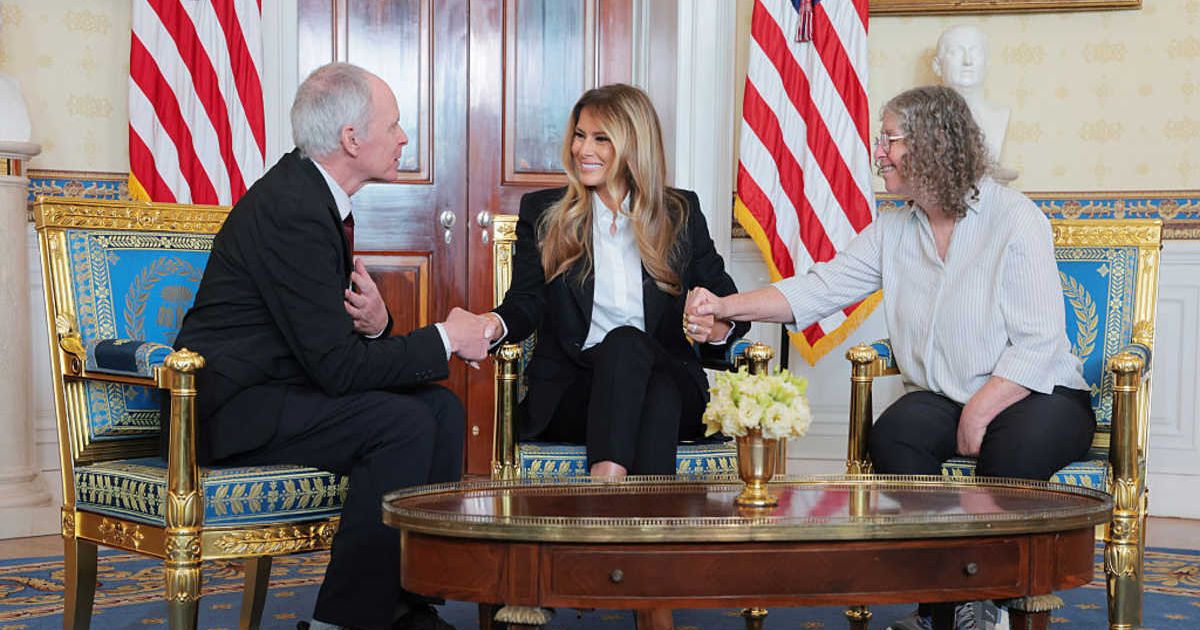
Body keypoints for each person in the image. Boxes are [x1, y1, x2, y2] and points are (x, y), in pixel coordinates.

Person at [686, 85, 1094, 630]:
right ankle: (944, 607)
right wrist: (726, 306)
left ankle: (994, 602)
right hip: (949, 393)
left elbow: (1041, 343)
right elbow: (820, 288)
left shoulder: (1015, 219)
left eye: (890, 139)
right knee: (895, 436)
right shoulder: (895, 229)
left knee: (1011, 450)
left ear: (932, 144)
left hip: (1038, 391)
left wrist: (979, 410)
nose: (878, 153)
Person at [174, 63, 493, 630]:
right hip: (236, 411)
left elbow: (327, 342)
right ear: (352, 139)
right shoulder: (295, 209)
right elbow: (339, 370)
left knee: (440, 408)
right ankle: (343, 620)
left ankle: (403, 601)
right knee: (405, 423)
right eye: (393, 125)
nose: (403, 139)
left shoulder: (310, 194)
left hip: (286, 388)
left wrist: (378, 324)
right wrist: (446, 337)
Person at [479, 84, 748, 479]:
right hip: (575, 391)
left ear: (633, 144)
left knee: (634, 354)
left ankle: (604, 495)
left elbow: (731, 308)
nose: (582, 150)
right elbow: (526, 301)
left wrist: (715, 325)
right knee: (649, 385)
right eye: (580, 135)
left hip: (670, 374)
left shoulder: (680, 212)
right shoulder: (545, 213)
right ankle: (643, 530)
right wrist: (492, 323)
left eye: (601, 139)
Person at [932, 25, 1016, 183]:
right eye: (956, 52)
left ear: (987, 63)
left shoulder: (1001, 115)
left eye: (975, 52)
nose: (967, 61)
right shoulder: (922, 120)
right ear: (937, 66)